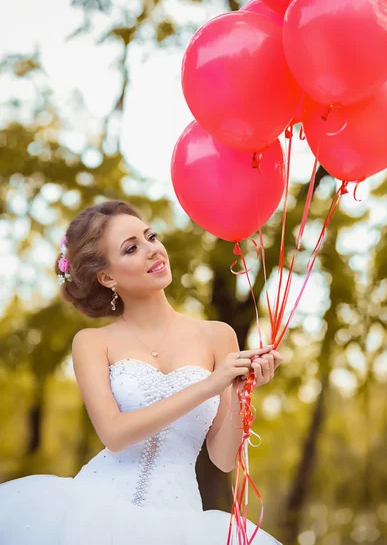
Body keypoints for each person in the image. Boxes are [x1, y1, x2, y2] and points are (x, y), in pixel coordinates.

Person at [0, 200, 284, 544]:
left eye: (151, 237)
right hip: (95, 512)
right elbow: (115, 435)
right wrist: (211, 384)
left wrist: (242, 393)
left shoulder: (217, 335)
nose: (152, 250)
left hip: (181, 520)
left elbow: (223, 459)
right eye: (132, 248)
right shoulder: (92, 342)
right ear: (107, 276)